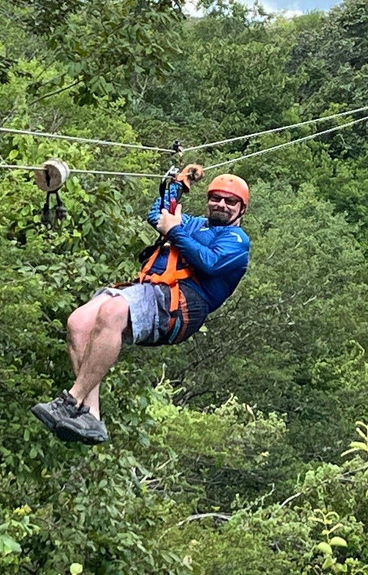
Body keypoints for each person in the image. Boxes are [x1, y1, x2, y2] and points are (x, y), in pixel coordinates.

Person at [32, 166, 250, 445]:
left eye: (230, 201)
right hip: (153, 288)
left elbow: (209, 262)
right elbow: (157, 214)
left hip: (183, 301)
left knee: (113, 311)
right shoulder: (195, 224)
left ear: (242, 209)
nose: (221, 204)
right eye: (216, 198)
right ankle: (91, 415)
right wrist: (179, 184)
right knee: (79, 322)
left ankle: (71, 400)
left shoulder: (237, 241)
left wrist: (175, 231)